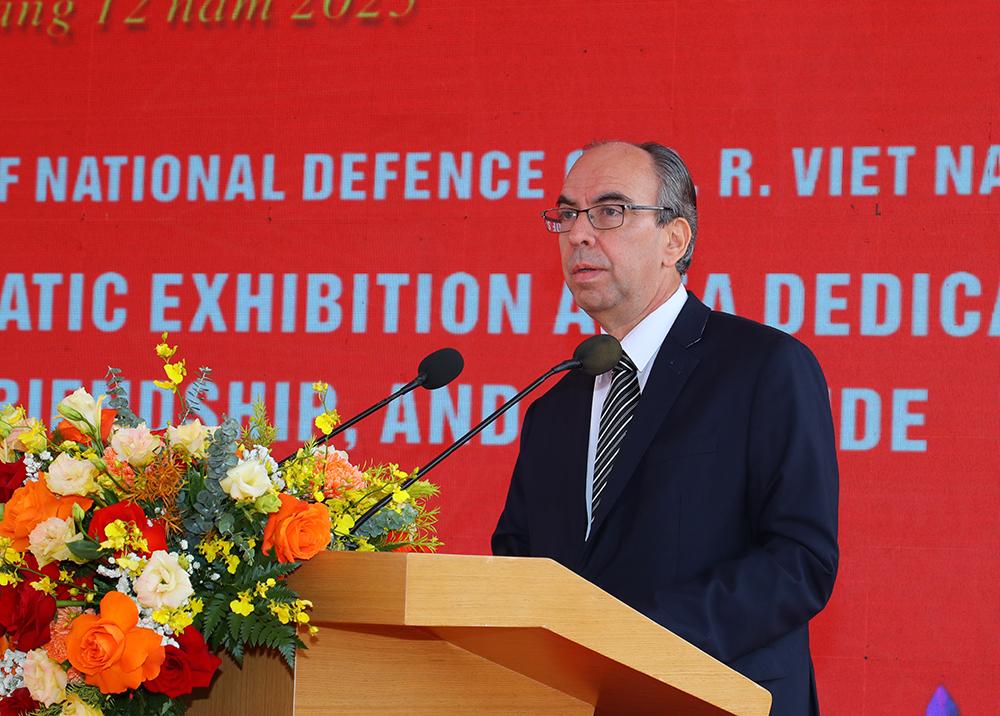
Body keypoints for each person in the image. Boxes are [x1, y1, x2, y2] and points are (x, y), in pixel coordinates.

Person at [492, 141, 839, 716]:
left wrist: (634, 638)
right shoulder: (553, 409)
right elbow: (520, 560)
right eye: (567, 214)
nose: (579, 234)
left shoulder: (764, 368)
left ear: (675, 240)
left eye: (609, 211)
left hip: (717, 697)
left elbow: (799, 561)